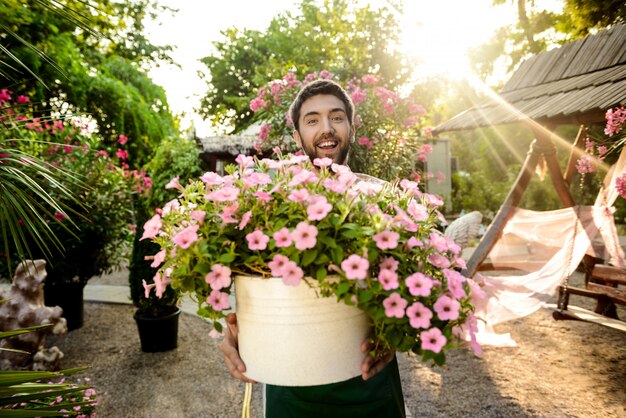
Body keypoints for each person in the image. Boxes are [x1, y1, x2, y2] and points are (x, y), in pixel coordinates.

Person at [220, 79, 406, 418]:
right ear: (296, 136)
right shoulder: (272, 203)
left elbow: (414, 285)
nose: (326, 128)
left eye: (336, 117)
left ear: (351, 127)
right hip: (291, 385)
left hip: (370, 385)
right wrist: (232, 331)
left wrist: (399, 332)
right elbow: (249, 279)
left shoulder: (382, 197)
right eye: (312, 120)